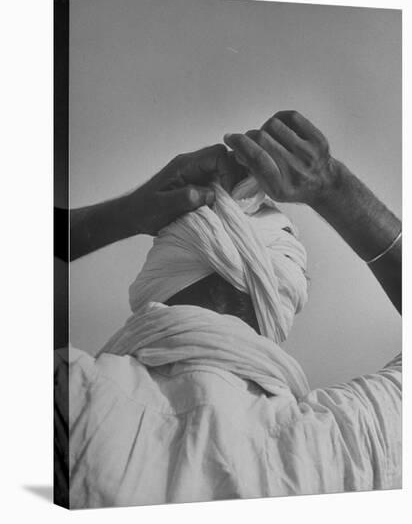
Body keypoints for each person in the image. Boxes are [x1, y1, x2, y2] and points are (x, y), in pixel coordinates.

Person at [54, 111, 401, 508]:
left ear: (162, 270)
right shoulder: (340, 443)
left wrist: (124, 215)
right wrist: (331, 186)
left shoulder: (72, 394)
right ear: (250, 293)